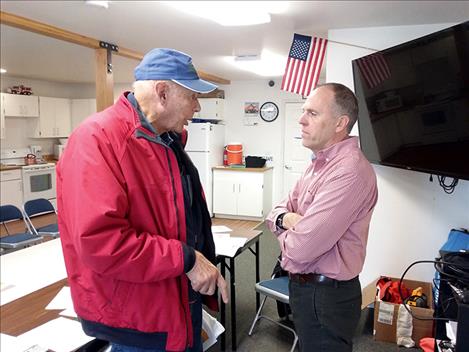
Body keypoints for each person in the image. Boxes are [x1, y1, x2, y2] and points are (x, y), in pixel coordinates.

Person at [57, 48, 228, 352]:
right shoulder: (97, 139)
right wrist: (186, 258)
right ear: (163, 93)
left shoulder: (166, 140)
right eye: (192, 97)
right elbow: (101, 242)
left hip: (174, 298)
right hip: (139, 316)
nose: (197, 107)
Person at [266, 83, 378, 352]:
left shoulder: (349, 172)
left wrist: (286, 227)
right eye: (304, 111)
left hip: (326, 297)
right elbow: (276, 212)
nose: (301, 120)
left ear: (340, 123)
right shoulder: (317, 164)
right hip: (307, 290)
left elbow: (301, 249)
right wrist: (287, 220)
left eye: (313, 113)